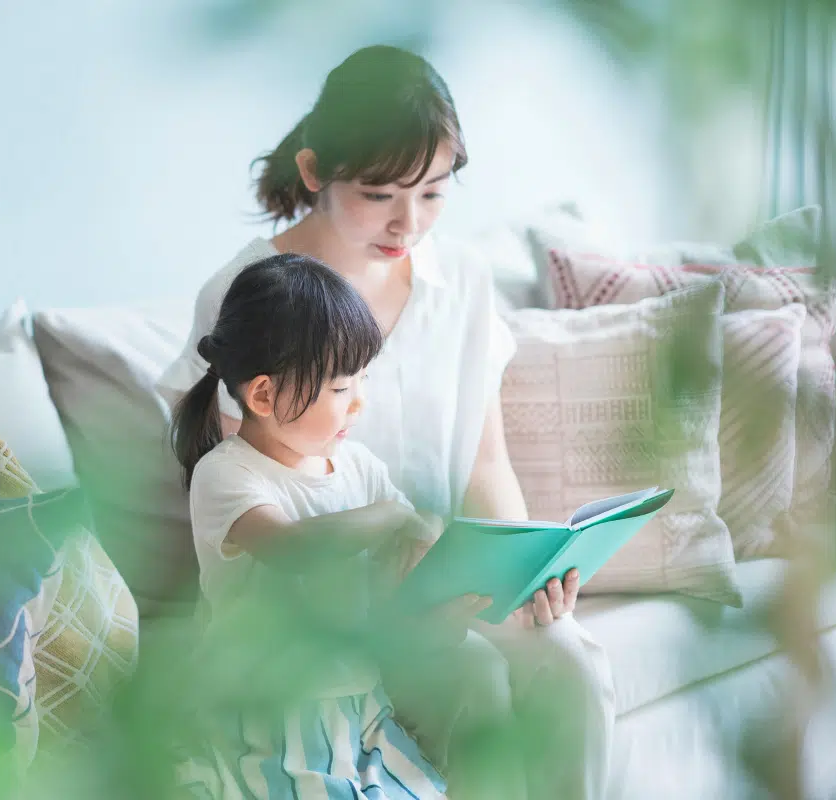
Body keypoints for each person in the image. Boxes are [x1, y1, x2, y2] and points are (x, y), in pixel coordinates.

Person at [158, 44, 615, 799]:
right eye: (380, 193)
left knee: (570, 659)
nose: (410, 222)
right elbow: (248, 484)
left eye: (434, 193)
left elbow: (483, 464)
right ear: (314, 173)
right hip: (331, 624)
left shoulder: (460, 279)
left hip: (440, 585)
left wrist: (523, 575)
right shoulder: (249, 291)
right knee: (473, 677)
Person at [170, 252, 522, 798]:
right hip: (271, 711)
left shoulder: (359, 469)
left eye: (362, 380)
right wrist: (392, 516)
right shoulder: (227, 474)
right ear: (263, 394)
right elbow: (294, 548)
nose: (359, 403)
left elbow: (401, 580)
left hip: (362, 704)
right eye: (340, 388)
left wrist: (454, 593)